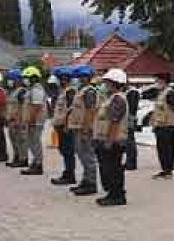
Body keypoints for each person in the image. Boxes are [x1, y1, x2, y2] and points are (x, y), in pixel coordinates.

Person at [93, 68, 131, 206]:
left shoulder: (118, 99)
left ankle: (117, 196)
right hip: (106, 139)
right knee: (108, 169)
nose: (105, 84)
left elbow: (114, 121)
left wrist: (109, 140)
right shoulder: (111, 98)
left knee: (113, 169)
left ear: (115, 83)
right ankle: (112, 194)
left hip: (114, 141)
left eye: (108, 82)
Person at [68, 65, 99, 196]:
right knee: (82, 155)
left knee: (88, 156)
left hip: (84, 128)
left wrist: (86, 127)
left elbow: (90, 110)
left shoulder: (89, 91)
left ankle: (91, 183)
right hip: (78, 126)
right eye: (80, 77)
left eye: (84, 76)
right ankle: (85, 180)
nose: (81, 79)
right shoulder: (82, 90)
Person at [49, 67, 78, 185]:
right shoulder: (63, 91)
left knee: (68, 151)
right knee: (64, 150)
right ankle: (67, 173)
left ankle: (70, 175)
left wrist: (66, 124)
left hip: (66, 126)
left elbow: (70, 110)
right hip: (60, 125)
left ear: (64, 79)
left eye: (60, 79)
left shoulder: (70, 91)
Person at [150, 73, 174, 179]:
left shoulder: (170, 93)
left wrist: (171, 120)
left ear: (163, 81)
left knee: (168, 148)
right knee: (161, 148)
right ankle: (164, 169)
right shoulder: (161, 93)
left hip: (168, 125)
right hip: (159, 125)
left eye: (157, 81)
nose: (156, 83)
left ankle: (169, 170)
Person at [20, 66, 47, 175]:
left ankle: (38, 164)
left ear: (34, 78)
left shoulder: (37, 89)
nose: (25, 79)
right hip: (32, 121)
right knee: (32, 142)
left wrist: (31, 122)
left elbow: (36, 107)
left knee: (35, 143)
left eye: (28, 77)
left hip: (36, 121)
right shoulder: (31, 89)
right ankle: (35, 162)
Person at [5, 68, 28, 168]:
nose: (10, 81)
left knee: (21, 140)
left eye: (12, 79)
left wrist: (20, 120)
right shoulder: (11, 91)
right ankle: (16, 157)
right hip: (11, 120)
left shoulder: (21, 92)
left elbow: (23, 107)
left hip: (18, 120)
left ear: (18, 80)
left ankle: (23, 159)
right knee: (14, 140)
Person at [124, 78, 141, 170]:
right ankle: (129, 161)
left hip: (129, 119)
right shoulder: (129, 92)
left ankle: (131, 163)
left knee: (129, 142)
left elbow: (131, 108)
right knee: (129, 141)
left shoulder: (132, 92)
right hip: (129, 118)